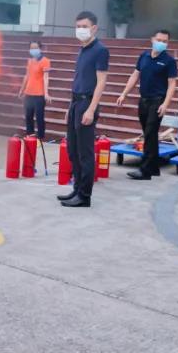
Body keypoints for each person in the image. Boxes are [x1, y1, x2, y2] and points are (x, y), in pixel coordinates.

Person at [58, 11, 109, 208]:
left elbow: (101, 82)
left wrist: (91, 109)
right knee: (72, 150)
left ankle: (84, 196)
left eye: (84, 26)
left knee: (85, 153)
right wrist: (70, 107)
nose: (80, 30)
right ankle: (77, 189)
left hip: (87, 104)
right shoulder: (82, 49)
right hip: (75, 104)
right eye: (78, 26)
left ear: (94, 28)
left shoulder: (100, 50)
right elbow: (78, 80)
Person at [115, 29, 178, 180]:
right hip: (143, 99)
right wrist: (124, 93)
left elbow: (172, 84)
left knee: (150, 133)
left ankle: (145, 170)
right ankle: (154, 167)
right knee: (149, 134)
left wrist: (165, 104)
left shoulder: (169, 61)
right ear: (152, 39)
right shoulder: (143, 56)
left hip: (157, 101)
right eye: (159, 40)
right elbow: (135, 75)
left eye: (165, 41)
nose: (161, 43)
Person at [18, 40, 51, 140]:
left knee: (39, 117)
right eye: (31, 48)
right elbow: (27, 76)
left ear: (40, 48)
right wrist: (21, 90)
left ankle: (41, 138)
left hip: (39, 94)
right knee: (28, 116)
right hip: (29, 93)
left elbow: (46, 78)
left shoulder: (45, 61)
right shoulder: (30, 61)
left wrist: (46, 93)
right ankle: (30, 137)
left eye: (35, 47)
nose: (33, 50)